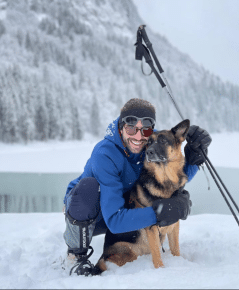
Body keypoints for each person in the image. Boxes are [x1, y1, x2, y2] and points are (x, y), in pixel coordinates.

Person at [63, 98, 212, 276]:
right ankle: (75, 254)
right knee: (88, 189)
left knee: (139, 203)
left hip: (121, 202)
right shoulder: (104, 154)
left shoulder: (151, 142)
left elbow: (169, 176)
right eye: (131, 128)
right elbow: (115, 220)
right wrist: (160, 213)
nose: (138, 136)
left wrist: (194, 157)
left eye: (146, 129)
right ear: (121, 126)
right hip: (89, 212)